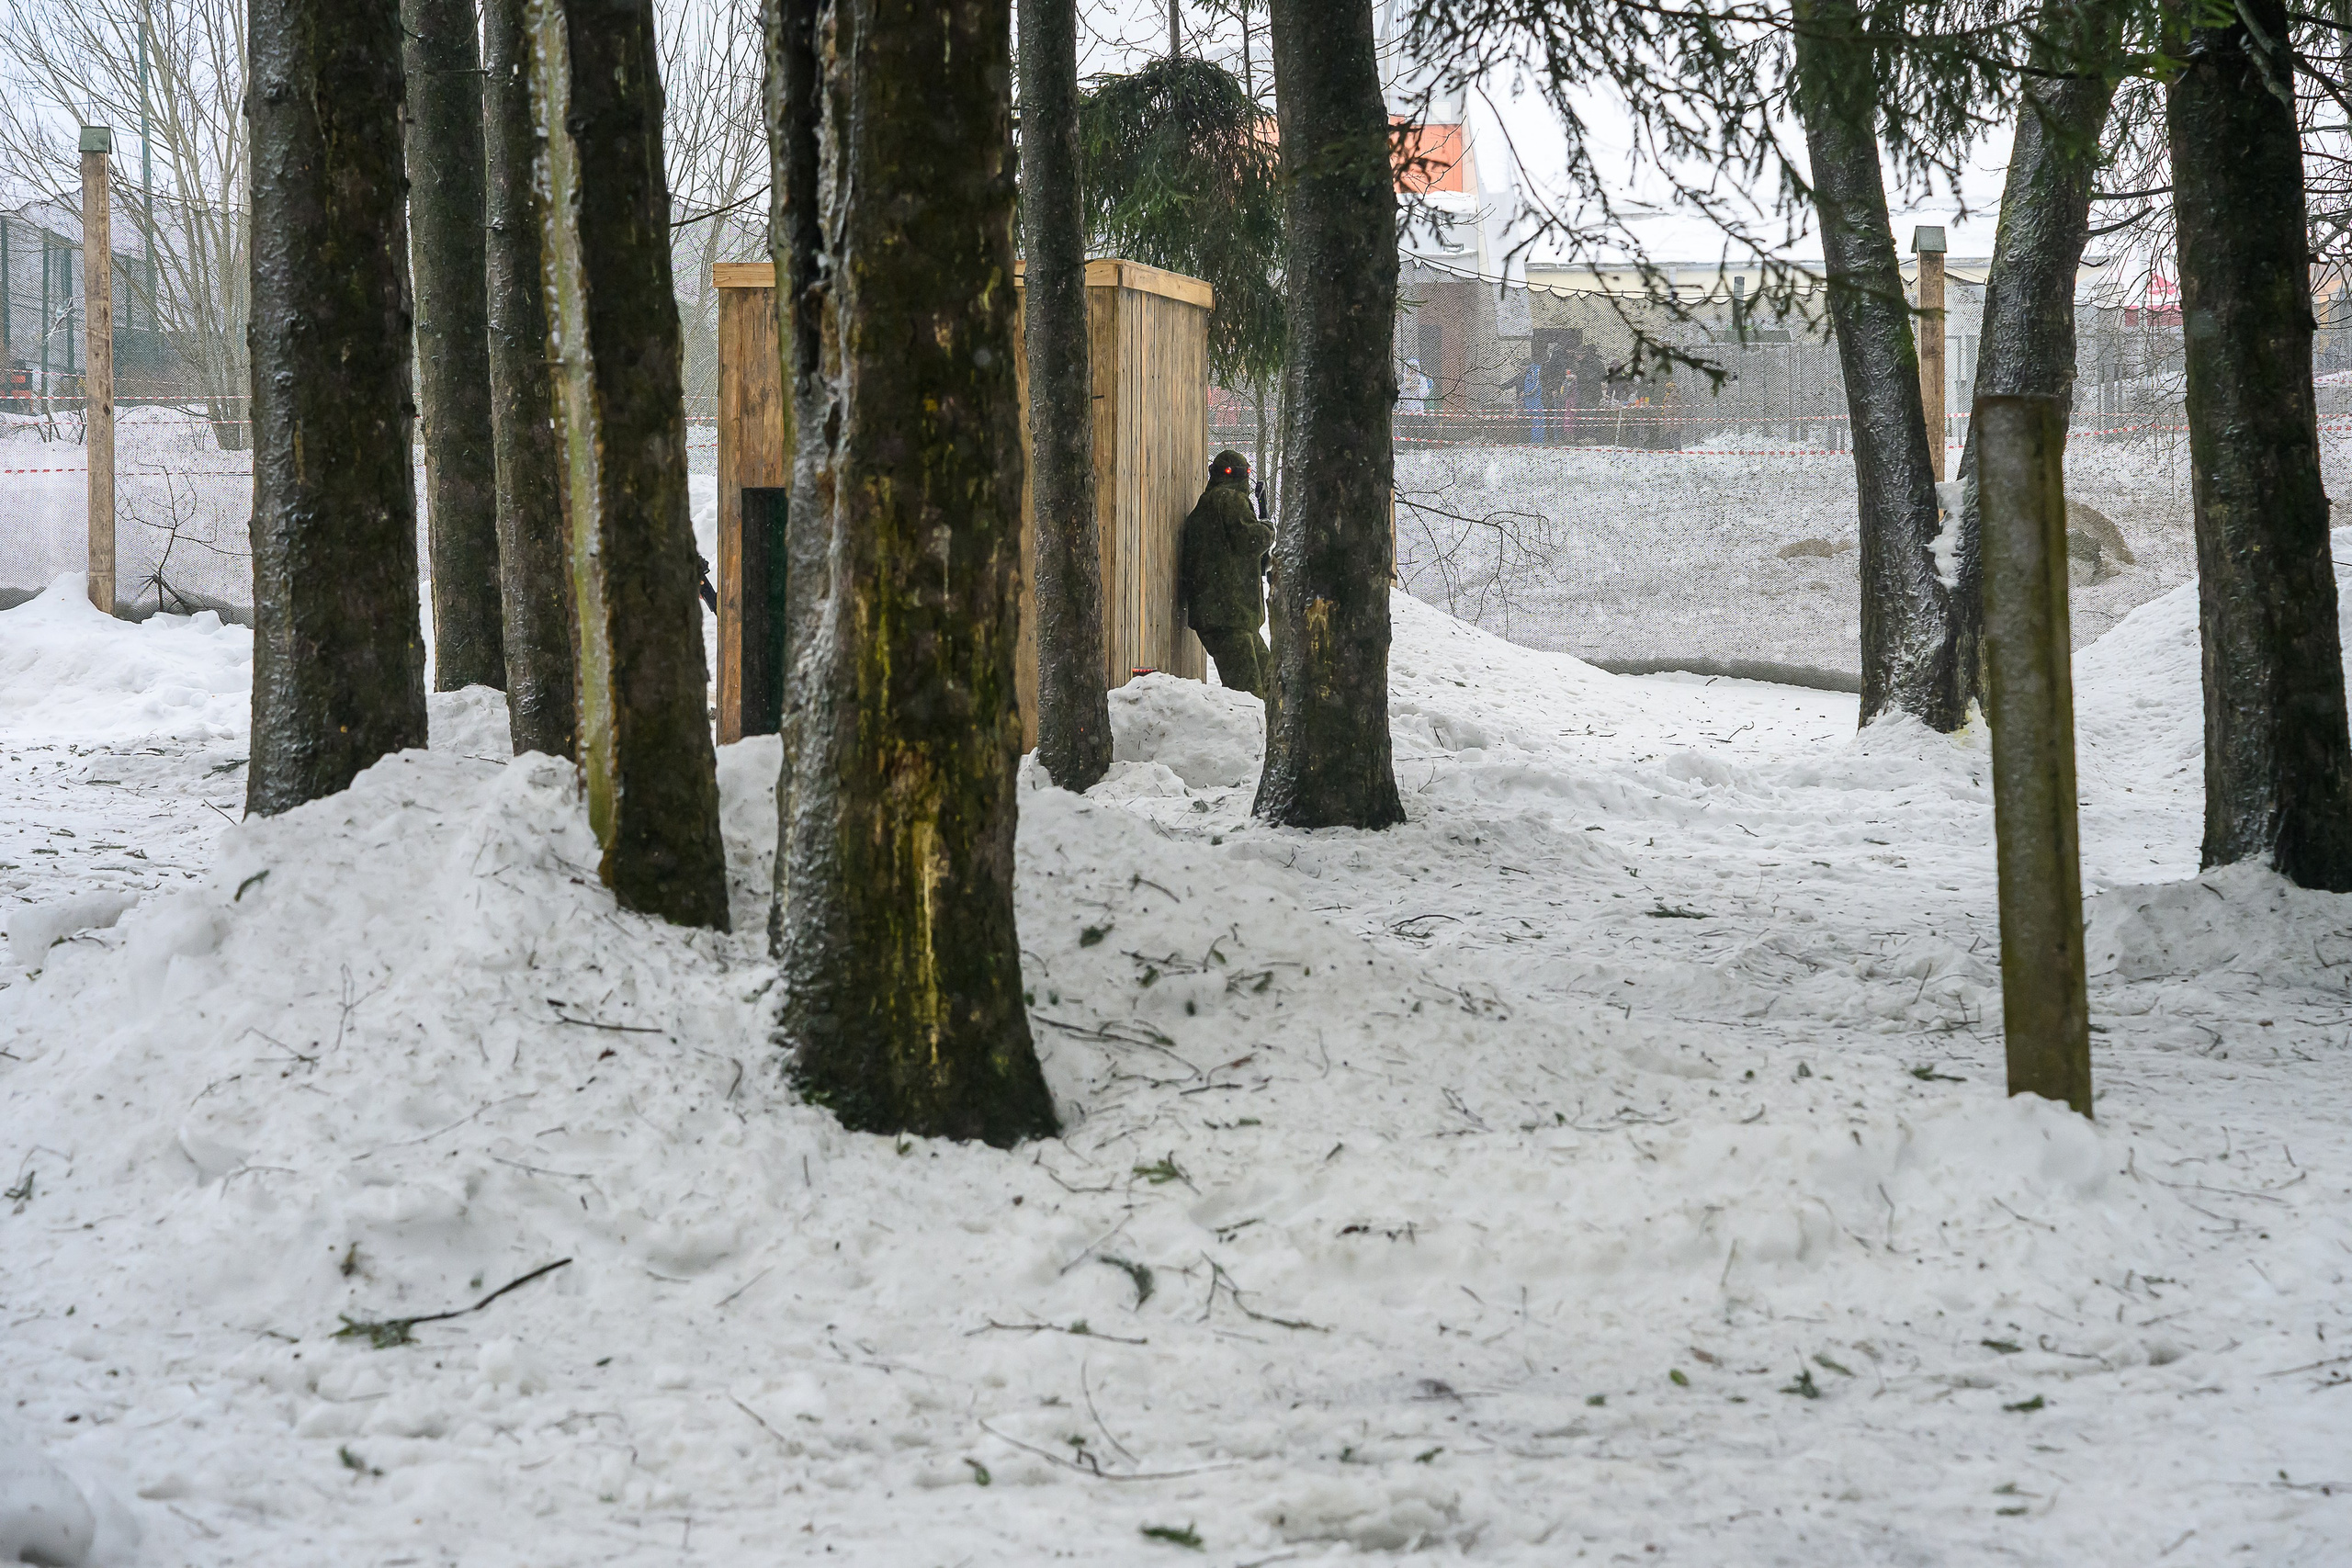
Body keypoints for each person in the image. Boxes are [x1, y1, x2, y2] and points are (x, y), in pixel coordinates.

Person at [1178, 448, 1274, 697]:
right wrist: (1267, 529)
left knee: (1270, 684)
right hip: (1230, 617)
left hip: (1227, 617)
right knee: (1250, 694)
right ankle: (1251, 736)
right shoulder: (1229, 500)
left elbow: (1228, 557)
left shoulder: (1207, 505)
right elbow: (1250, 541)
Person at [1520, 357, 1544, 444]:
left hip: (1535, 400)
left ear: (1527, 365)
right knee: (1534, 420)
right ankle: (1534, 440)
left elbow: (1536, 385)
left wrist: (1526, 393)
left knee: (1538, 420)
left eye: (1522, 367)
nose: (1521, 369)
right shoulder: (1529, 372)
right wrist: (1523, 398)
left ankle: (1538, 441)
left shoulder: (1535, 371)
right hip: (1529, 400)